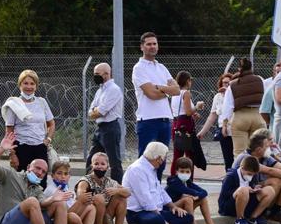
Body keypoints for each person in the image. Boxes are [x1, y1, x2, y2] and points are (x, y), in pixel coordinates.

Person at [0, 135, 76, 224]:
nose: (40, 173)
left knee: (59, 203)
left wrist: (53, 198)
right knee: (32, 201)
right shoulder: (11, 175)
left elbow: (43, 203)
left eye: (43, 172)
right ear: (28, 167)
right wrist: (2, 148)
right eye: (37, 168)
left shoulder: (38, 188)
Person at [123, 141, 193, 224]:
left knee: (188, 217)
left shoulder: (151, 168)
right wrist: (163, 220)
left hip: (156, 211)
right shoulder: (136, 169)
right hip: (138, 213)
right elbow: (145, 199)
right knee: (157, 220)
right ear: (159, 158)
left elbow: (160, 190)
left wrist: (173, 207)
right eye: (164, 158)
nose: (163, 160)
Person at [131, 33, 179, 164]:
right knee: (145, 161)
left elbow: (177, 90)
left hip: (165, 120)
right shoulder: (139, 68)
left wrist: (159, 87)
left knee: (161, 161)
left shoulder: (162, 68)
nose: (152, 46)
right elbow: (151, 94)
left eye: (154, 44)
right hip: (148, 120)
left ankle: (156, 185)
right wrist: (167, 91)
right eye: (148, 44)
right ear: (142, 47)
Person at [43, 159, 108, 224]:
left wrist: (83, 202)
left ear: (69, 176)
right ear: (52, 175)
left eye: (66, 174)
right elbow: (63, 215)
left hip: (67, 219)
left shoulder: (66, 188)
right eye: (59, 173)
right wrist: (80, 202)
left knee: (91, 207)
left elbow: (71, 207)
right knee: (73, 216)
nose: (63, 177)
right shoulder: (52, 190)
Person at [2, 69, 55, 171]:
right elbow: (9, 132)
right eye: (25, 83)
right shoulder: (14, 104)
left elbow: (51, 124)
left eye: (32, 83)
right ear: (20, 85)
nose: (29, 87)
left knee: (40, 183)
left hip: (40, 148)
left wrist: (48, 140)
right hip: (21, 148)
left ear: (36, 86)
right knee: (21, 182)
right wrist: (12, 154)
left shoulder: (42, 102)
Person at [76, 152, 132, 224]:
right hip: (90, 218)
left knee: (121, 196)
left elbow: (128, 192)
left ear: (107, 166)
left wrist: (116, 191)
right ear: (91, 165)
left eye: (102, 164)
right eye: (96, 164)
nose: (99, 166)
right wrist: (93, 198)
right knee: (99, 198)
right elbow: (80, 194)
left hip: (105, 217)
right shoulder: (85, 180)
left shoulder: (109, 181)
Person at [85, 62, 124, 181]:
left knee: (114, 161)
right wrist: (95, 111)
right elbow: (90, 112)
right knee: (91, 159)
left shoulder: (113, 90)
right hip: (100, 128)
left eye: (97, 74)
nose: (95, 76)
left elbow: (101, 111)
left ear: (106, 74)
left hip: (110, 128)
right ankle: (89, 184)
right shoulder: (100, 91)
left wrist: (95, 111)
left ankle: (116, 189)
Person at [220, 58, 266, 154]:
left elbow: (228, 106)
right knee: (258, 151)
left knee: (240, 152)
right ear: (251, 68)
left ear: (239, 69)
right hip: (258, 116)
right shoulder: (260, 80)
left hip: (240, 117)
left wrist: (224, 124)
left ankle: (242, 168)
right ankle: (257, 168)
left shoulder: (233, 85)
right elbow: (266, 97)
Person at [166, 157, 222, 224]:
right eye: (182, 171)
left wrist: (198, 196)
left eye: (187, 172)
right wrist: (195, 195)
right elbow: (191, 191)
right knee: (188, 199)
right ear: (176, 172)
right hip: (169, 209)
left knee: (203, 199)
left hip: (180, 209)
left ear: (191, 172)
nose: (184, 174)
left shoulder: (187, 181)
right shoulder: (174, 182)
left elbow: (204, 192)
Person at [217, 155, 275, 224]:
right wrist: (244, 189)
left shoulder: (252, 176)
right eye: (249, 174)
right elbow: (224, 195)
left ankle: (254, 217)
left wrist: (254, 188)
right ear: (242, 168)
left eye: (253, 174)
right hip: (230, 206)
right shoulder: (231, 176)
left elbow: (251, 186)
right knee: (243, 190)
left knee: (270, 190)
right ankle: (239, 219)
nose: (251, 176)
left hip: (246, 202)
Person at [169, 71, 207, 175]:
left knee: (177, 154)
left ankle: (174, 178)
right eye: (190, 80)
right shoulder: (186, 93)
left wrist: (193, 113)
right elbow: (188, 111)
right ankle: (189, 180)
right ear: (187, 81)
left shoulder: (175, 94)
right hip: (186, 124)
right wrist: (197, 106)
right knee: (190, 154)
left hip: (176, 123)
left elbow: (180, 110)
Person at [198, 72, 235, 172]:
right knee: (228, 159)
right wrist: (202, 132)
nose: (225, 85)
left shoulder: (236, 95)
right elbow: (212, 116)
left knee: (239, 157)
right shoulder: (218, 97)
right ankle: (229, 180)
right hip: (223, 130)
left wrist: (229, 91)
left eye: (228, 83)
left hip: (236, 129)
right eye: (224, 83)